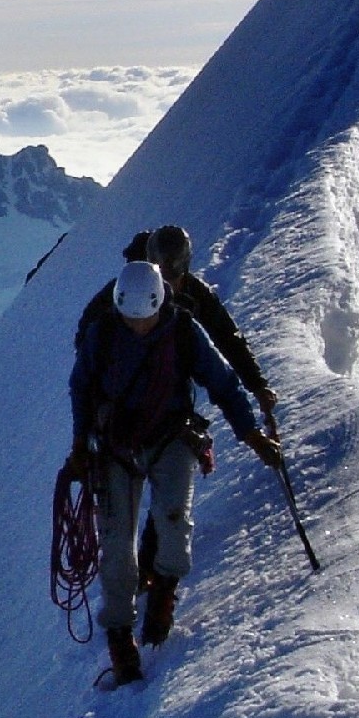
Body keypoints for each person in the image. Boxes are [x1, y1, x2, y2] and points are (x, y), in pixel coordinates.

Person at [70, 259, 283, 687]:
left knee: (173, 520)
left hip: (169, 438)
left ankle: (164, 590)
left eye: (144, 317)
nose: (138, 326)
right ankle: (120, 634)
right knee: (116, 541)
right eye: (131, 318)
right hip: (115, 445)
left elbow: (223, 383)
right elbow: (82, 387)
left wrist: (253, 435)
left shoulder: (185, 332)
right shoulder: (105, 333)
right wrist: (80, 446)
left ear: (158, 303)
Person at [124, 224, 276, 433]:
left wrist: (257, 385)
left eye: (172, 275)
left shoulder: (193, 295)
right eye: (162, 275)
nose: (166, 285)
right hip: (125, 392)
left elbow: (227, 337)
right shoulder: (129, 290)